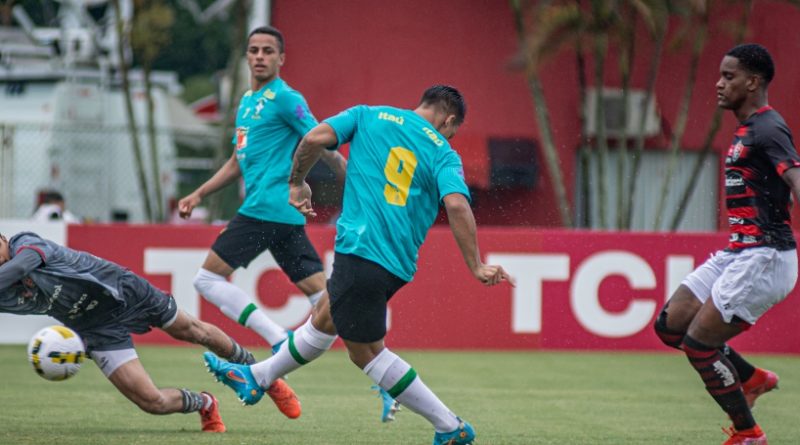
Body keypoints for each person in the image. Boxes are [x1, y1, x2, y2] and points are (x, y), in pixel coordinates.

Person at [202, 85, 514, 445]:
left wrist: (297, 182)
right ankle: (256, 378)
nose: (450, 134)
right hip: (393, 262)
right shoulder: (444, 152)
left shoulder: (368, 115)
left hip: (362, 251)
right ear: (449, 119)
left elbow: (314, 137)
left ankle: (449, 426)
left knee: (365, 353)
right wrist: (475, 264)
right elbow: (457, 205)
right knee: (324, 316)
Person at [0, 231, 299, 431]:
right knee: (150, 402)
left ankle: (264, 376)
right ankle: (205, 403)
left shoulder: (25, 244)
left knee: (193, 330)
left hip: (122, 290)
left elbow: (18, 268)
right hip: (94, 327)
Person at [653, 43, 800, 445]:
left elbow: (795, 177)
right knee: (671, 327)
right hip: (739, 251)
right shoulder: (747, 128)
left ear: (753, 82)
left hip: (765, 257)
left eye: (729, 76)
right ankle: (751, 378)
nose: (719, 84)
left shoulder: (768, 128)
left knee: (701, 345)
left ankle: (748, 433)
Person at [177, 26, 346, 359]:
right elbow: (237, 162)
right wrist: (199, 194)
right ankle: (382, 371)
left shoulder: (285, 98)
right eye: (254, 50)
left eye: (268, 51)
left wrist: (353, 180)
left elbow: (320, 139)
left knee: (206, 279)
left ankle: (278, 338)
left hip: (265, 208)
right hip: (282, 216)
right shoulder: (246, 102)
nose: (259, 57)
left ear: (281, 58)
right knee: (324, 301)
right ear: (246, 57)